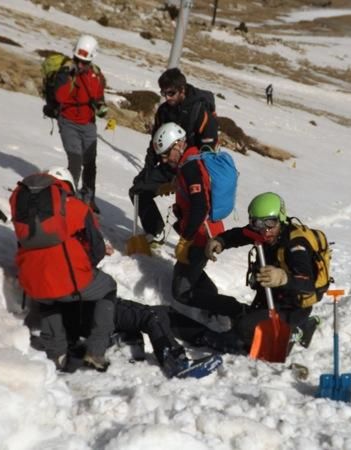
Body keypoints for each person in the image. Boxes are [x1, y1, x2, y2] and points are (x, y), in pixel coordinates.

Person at [14, 167, 220, 378]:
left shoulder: (27, 218)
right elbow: (95, 253)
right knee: (151, 314)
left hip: (52, 310)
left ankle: (78, 349)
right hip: (82, 301)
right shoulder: (75, 209)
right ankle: (177, 361)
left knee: (113, 312)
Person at [197, 192, 321, 354]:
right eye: (257, 223)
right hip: (272, 298)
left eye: (270, 222)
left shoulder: (296, 245)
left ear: (281, 218)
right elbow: (241, 234)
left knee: (246, 331)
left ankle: (296, 330)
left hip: (293, 306)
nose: (265, 231)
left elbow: (308, 283)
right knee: (245, 321)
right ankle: (291, 327)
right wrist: (221, 241)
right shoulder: (264, 232)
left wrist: (283, 278)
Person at [152, 123, 246, 320]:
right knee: (184, 273)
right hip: (201, 232)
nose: (164, 159)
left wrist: (185, 240)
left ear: (178, 145)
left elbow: (200, 207)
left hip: (202, 235)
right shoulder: (190, 160)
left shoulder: (190, 166)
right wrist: (175, 186)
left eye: (166, 153)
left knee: (181, 291)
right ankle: (213, 307)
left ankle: (232, 310)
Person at [128, 67, 219, 244]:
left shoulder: (200, 110)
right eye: (164, 93)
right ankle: (155, 232)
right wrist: (147, 172)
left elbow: (209, 150)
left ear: (182, 89)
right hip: (170, 166)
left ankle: (193, 244)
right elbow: (155, 145)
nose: (167, 97)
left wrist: (182, 178)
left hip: (194, 169)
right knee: (138, 190)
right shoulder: (164, 111)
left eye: (171, 93)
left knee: (193, 207)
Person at [53, 34, 107, 214]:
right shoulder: (65, 72)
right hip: (68, 122)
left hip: (88, 124)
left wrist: (101, 107)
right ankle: (69, 197)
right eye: (78, 60)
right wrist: (69, 77)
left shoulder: (96, 75)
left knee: (90, 163)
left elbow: (99, 97)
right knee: (75, 161)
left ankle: (89, 197)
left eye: (84, 61)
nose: (80, 64)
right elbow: (60, 97)